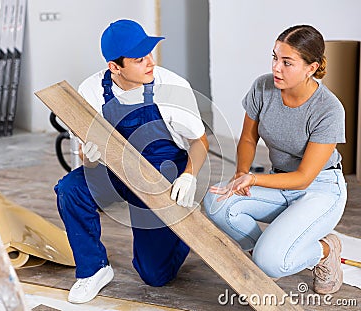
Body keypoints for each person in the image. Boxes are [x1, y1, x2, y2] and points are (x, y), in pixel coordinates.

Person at [54, 19, 209, 304]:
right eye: (139, 59)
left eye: (150, 54)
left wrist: (189, 175)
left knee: (155, 275)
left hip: (161, 170)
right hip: (112, 167)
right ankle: (93, 270)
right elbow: (84, 160)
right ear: (115, 67)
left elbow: (199, 142)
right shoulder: (90, 91)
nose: (150, 62)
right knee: (70, 189)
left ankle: (179, 227)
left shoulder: (172, 86)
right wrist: (89, 159)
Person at [204, 25, 347, 295]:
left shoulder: (329, 109)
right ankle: (268, 258)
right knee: (216, 203)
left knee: (270, 261)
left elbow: (304, 177)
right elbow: (248, 138)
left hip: (319, 189)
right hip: (278, 181)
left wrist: (255, 178)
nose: (276, 68)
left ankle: (325, 251)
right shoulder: (263, 87)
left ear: (311, 67)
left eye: (287, 62)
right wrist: (241, 174)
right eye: (275, 58)